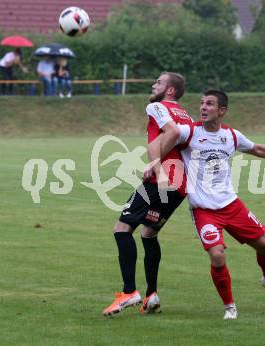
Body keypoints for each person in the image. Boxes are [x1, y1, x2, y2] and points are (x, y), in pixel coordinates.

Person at [147, 90, 265, 319]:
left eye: (210, 104)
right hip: (204, 210)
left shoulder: (231, 136)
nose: (203, 107)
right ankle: (229, 307)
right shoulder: (189, 131)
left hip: (231, 205)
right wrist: (155, 166)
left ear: (222, 110)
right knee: (217, 255)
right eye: (202, 103)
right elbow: (155, 144)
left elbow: (258, 149)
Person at [102, 72, 193, 316]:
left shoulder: (156, 106)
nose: (154, 85)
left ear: (170, 91)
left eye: (159, 82)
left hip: (161, 180)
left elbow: (171, 132)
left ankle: (129, 292)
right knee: (148, 234)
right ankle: (151, 295)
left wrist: (155, 164)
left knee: (122, 229)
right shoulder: (186, 114)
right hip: (180, 184)